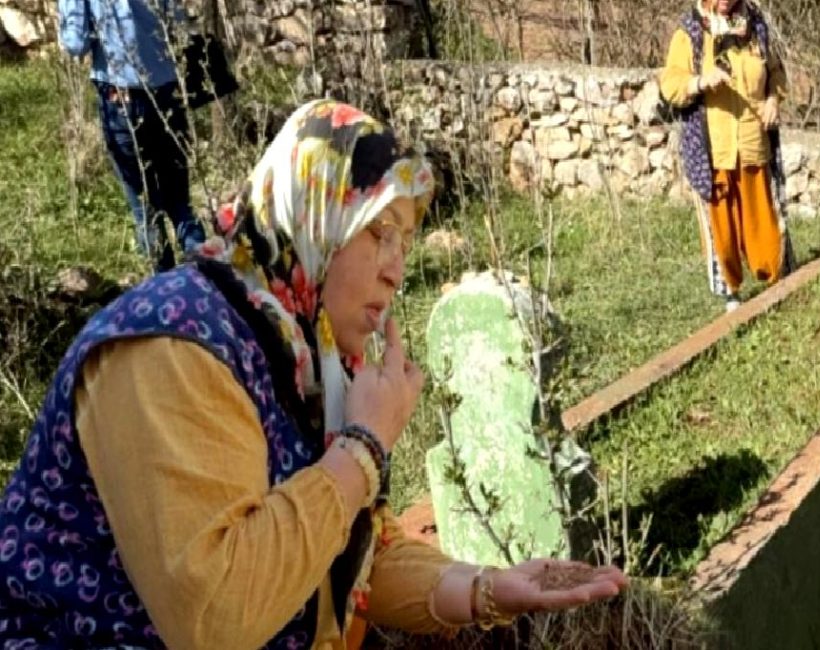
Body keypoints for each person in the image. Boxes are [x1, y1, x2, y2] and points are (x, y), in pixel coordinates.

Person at [0, 100, 628, 648]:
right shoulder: (172, 345)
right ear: (313, 213)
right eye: (378, 231)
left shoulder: (304, 352)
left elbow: (348, 550)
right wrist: (362, 450)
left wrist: (487, 589)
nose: (396, 270)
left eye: (405, 243)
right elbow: (216, 618)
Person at [659, 0, 791, 313]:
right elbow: (670, 84)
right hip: (713, 150)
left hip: (753, 143)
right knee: (723, 230)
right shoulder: (690, 31)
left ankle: (777, 284)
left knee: (764, 225)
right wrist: (699, 82)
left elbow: (776, 73)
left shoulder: (756, 25)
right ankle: (731, 292)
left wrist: (773, 100)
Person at [58, 0, 207, 271]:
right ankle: (207, 279)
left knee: (146, 210)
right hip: (167, 94)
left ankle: (167, 290)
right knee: (180, 203)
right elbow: (178, 23)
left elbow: (76, 43)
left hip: (122, 100)